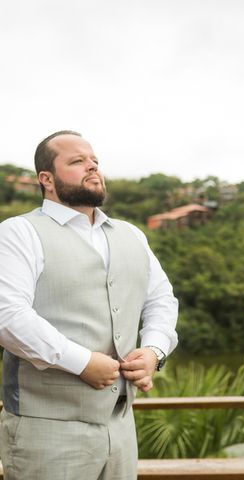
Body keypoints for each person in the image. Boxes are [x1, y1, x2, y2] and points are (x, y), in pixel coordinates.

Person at [0, 130, 179, 479]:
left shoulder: (132, 235)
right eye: (77, 161)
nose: (92, 167)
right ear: (46, 179)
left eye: (94, 161)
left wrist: (155, 350)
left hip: (121, 426)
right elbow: (7, 314)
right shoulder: (18, 233)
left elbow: (161, 299)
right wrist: (81, 362)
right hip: (46, 431)